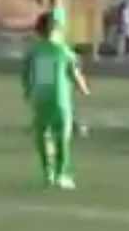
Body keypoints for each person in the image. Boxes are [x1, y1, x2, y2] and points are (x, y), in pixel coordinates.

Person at [22, 11, 90, 189]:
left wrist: (28, 91)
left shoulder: (35, 50)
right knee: (62, 137)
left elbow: (30, 74)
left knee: (43, 136)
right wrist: (84, 88)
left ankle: (48, 173)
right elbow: (73, 73)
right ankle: (61, 175)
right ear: (55, 28)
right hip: (60, 100)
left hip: (40, 99)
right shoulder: (63, 50)